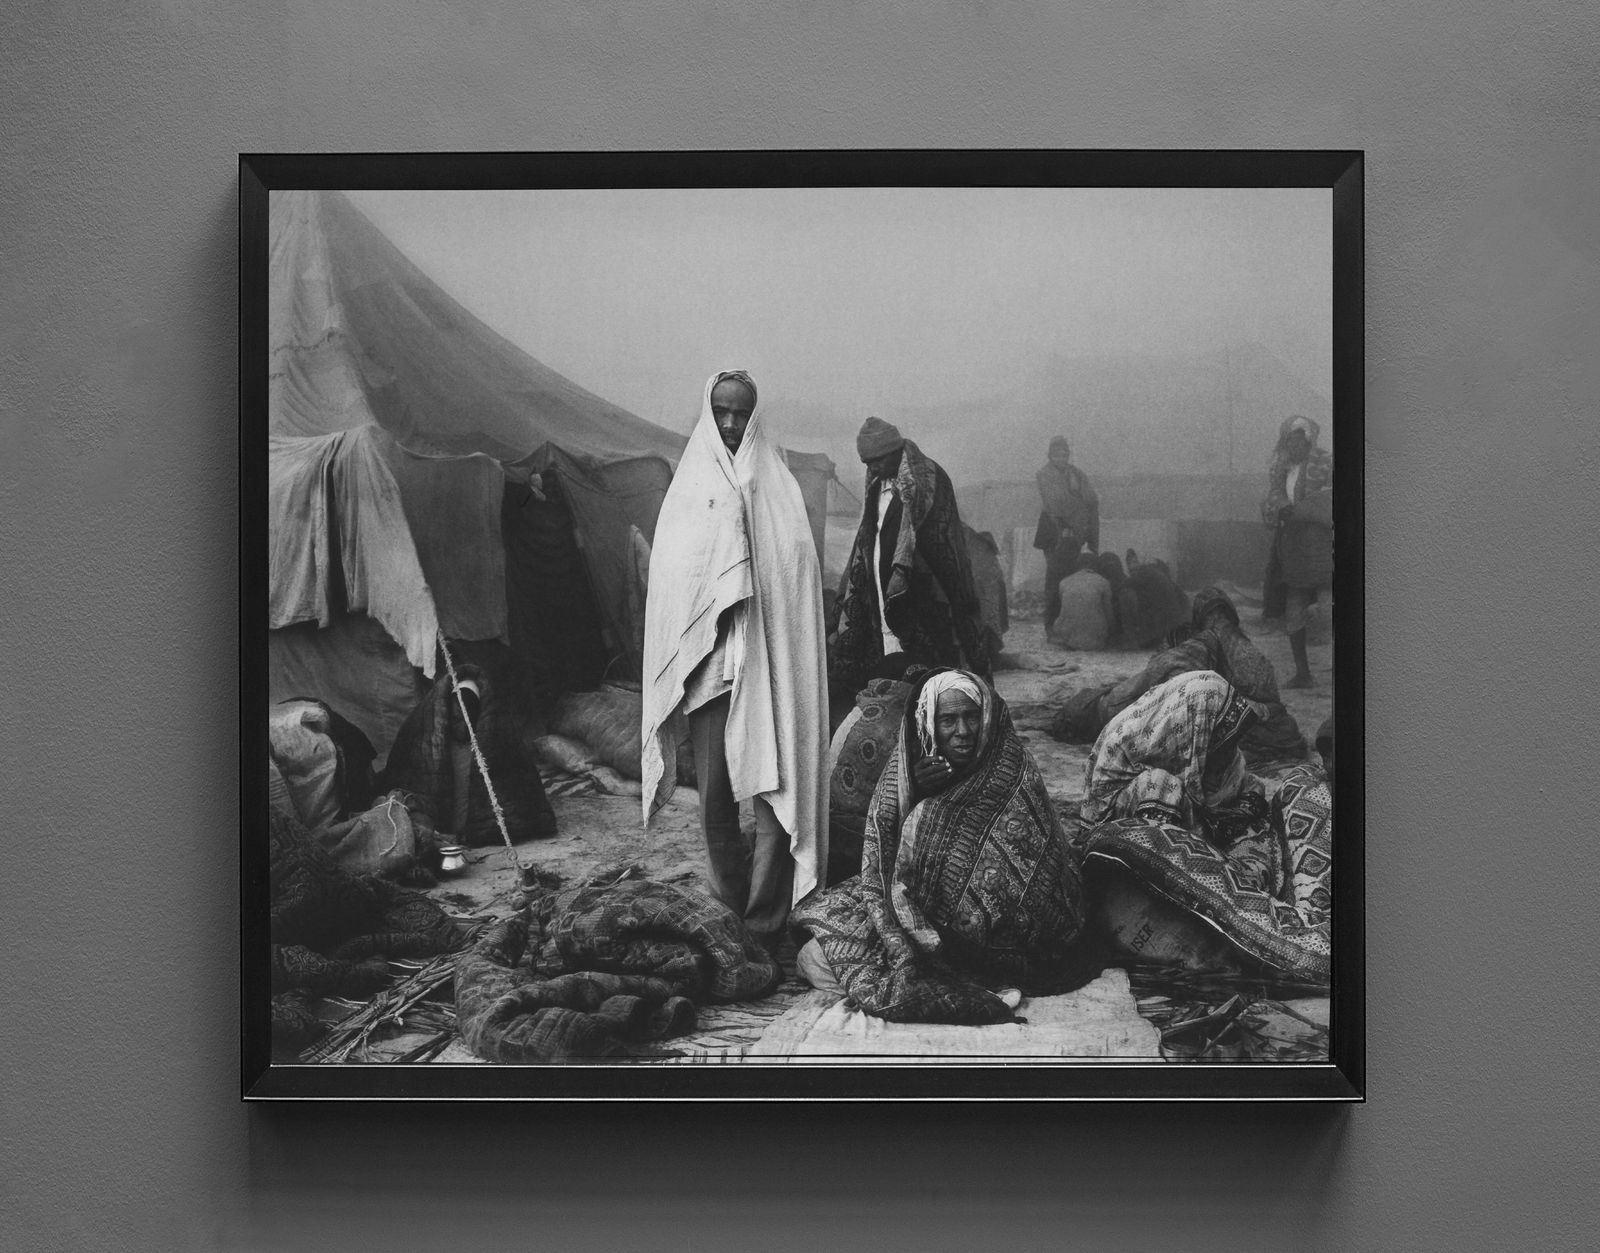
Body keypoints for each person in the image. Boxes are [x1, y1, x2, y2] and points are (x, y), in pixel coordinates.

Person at [640, 370, 829, 952]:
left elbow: (796, 574)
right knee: (717, 797)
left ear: (755, 415)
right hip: (710, 674)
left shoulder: (779, 489)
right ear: (707, 410)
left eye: (740, 412)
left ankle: (767, 916)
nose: (729, 423)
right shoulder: (689, 488)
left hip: (769, 666)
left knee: (775, 792)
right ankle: (730, 902)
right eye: (721, 410)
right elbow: (675, 579)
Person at [792, 669, 1088, 1024]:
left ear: (988, 718)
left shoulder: (1016, 773)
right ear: (929, 723)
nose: (962, 732)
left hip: (993, 942)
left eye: (971, 717)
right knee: (814, 954)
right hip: (916, 907)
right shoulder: (911, 766)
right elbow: (882, 846)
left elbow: (1024, 879)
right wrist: (914, 790)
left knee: (841, 963)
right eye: (948, 720)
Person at [1051, 586, 1308, 770]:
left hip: (1124, 709)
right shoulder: (1236, 647)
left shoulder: (1201, 647)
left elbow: (1155, 692)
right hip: (1261, 726)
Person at [828, 417, 991, 691]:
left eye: (877, 460)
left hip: (924, 598)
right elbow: (869, 542)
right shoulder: (877, 487)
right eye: (867, 463)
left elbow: (942, 543)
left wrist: (904, 574)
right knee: (889, 671)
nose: (873, 468)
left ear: (894, 452)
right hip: (883, 598)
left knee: (930, 678)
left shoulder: (929, 481)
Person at [1081, 669, 1268, 848]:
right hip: (1122, 822)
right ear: (1200, 721)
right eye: (1219, 733)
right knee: (1162, 786)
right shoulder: (1125, 739)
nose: (1223, 743)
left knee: (1248, 782)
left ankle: (1206, 833)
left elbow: (1238, 772)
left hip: (1182, 800)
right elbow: (1100, 802)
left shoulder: (1195, 731)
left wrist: (1237, 809)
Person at [380, 662, 557, 846]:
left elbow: (516, 786)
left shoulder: (497, 737)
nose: (463, 727)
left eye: (468, 720)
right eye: (457, 719)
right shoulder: (428, 737)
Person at [1261, 414, 1334, 688]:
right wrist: (1281, 507)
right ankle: (1303, 673)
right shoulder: (1281, 468)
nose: (1294, 446)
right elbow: (1272, 500)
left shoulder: (1325, 462)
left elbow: (1333, 498)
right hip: (1292, 548)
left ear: (1308, 440)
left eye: (1299, 440)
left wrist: (1312, 511)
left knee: (1330, 608)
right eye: (1289, 441)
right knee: (1294, 610)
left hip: (1321, 545)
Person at [1033, 436, 1100, 635]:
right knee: (1055, 577)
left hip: (1074, 533)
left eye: (1064, 455)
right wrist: (1077, 498)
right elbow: (1056, 502)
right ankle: (1051, 626)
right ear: (1050, 456)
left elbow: (1092, 498)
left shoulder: (1076, 474)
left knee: (1070, 576)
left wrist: (1078, 492)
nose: (1061, 459)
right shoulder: (1044, 474)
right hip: (1053, 532)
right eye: (1056, 455)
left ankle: (1066, 625)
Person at [1048, 553, 1115, 649]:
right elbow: (1109, 613)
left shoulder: (1064, 582)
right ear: (1095, 565)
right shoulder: (1103, 582)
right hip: (1095, 640)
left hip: (1067, 639)